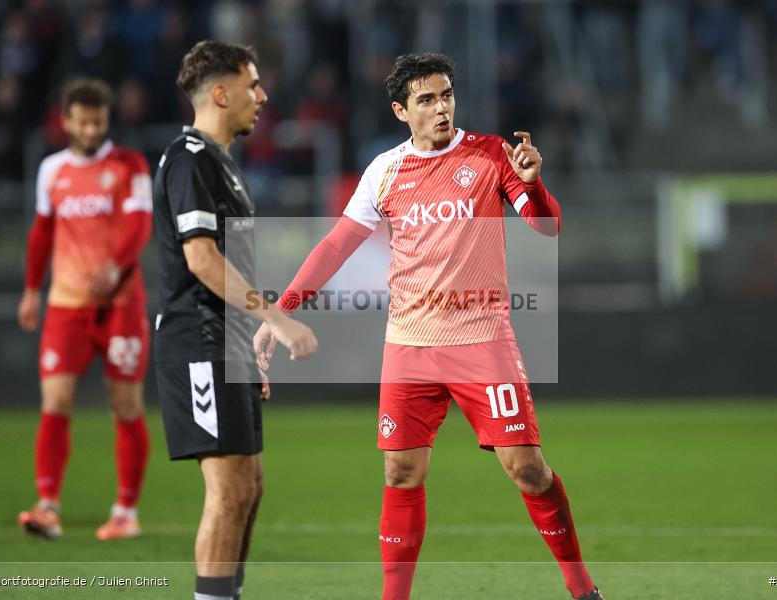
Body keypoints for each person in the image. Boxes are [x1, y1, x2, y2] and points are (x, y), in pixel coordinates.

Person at [254, 53, 605, 600]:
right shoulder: (384, 171)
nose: (441, 107)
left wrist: (534, 184)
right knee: (400, 474)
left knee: (528, 470)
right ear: (401, 110)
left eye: (446, 95)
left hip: (483, 340)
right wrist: (283, 309)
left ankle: (582, 589)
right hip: (409, 346)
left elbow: (547, 226)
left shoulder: (491, 154)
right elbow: (335, 246)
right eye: (426, 99)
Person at [152, 40, 317, 600]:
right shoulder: (190, 158)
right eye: (252, 85)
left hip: (225, 342)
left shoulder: (220, 164)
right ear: (220, 93)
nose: (263, 96)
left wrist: (246, 343)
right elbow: (201, 259)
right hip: (197, 341)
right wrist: (277, 317)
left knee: (249, 484)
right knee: (227, 487)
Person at [17, 78, 152, 541]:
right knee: (55, 402)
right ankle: (48, 504)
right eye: (83, 120)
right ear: (67, 121)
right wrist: (32, 290)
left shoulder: (130, 165)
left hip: (120, 306)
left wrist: (115, 267)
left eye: (99, 120)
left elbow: (140, 224)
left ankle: (125, 512)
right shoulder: (52, 170)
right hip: (66, 306)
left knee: (126, 406)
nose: (92, 128)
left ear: (106, 120)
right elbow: (41, 234)